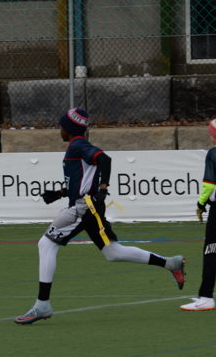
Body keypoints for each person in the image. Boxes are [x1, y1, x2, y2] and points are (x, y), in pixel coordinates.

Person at [15, 107, 186, 324]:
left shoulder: (78, 145)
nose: (59, 130)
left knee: (46, 244)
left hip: (83, 208)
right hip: (88, 207)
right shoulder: (76, 147)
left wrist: (103, 188)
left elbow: (105, 160)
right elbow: (82, 182)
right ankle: (171, 263)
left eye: (61, 126)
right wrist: (59, 193)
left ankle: (42, 305)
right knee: (113, 252)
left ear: (68, 129)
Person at [180, 118, 216, 311]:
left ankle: (206, 296)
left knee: (211, 251)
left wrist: (201, 204)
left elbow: (209, 185)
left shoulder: (213, 154)